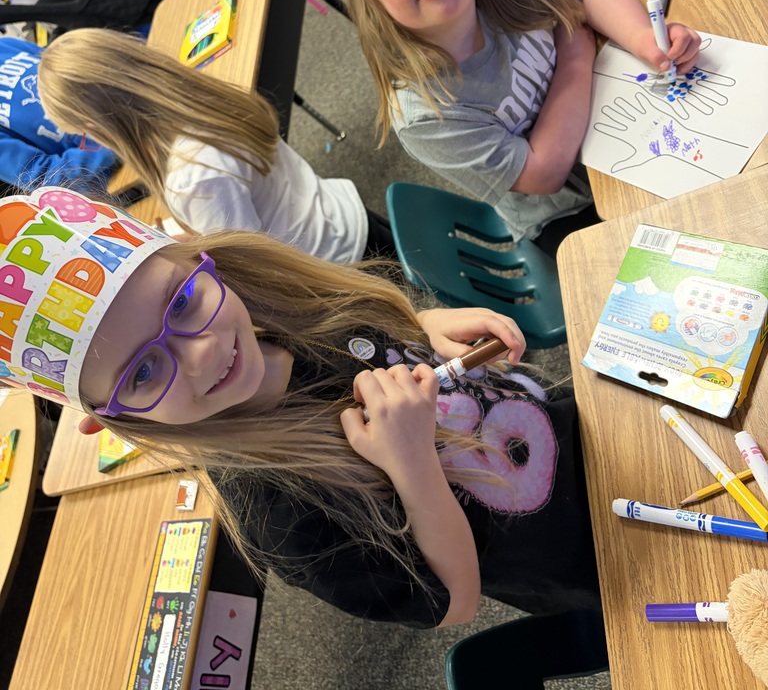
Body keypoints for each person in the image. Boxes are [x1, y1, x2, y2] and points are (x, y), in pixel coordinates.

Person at [0, 186, 601, 627]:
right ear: (114, 420)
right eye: (145, 371)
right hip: (587, 553)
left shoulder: (286, 306)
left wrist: (421, 327)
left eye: (182, 302)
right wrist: (413, 466)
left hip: (587, 425)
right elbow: (455, 603)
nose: (204, 353)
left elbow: (364, 338)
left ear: (191, 257)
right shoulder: (284, 520)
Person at [320, 0, 702, 256]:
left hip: (611, 112)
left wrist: (644, 39)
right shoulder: (425, 114)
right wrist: (575, 53)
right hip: (571, 209)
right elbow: (544, 172)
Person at [37, 28, 394, 263]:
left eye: (84, 135)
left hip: (339, 261)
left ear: (97, 125)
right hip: (340, 210)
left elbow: (262, 267)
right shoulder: (196, 98)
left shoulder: (191, 179)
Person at [0, 36, 116, 196]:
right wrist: (109, 143)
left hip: (132, 112)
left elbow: (75, 65)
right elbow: (46, 177)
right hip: (117, 167)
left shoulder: (5, 46)